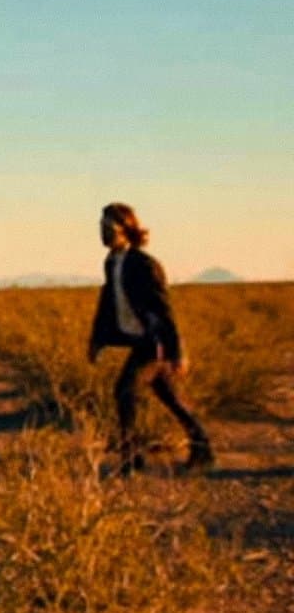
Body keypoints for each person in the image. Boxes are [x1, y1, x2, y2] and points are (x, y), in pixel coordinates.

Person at [87, 202, 213, 475]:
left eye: (108, 227)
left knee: (124, 390)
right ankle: (202, 447)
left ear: (125, 229)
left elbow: (164, 309)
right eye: (101, 227)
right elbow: (107, 301)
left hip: (154, 344)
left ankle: (131, 458)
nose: (103, 232)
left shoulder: (144, 264)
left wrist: (178, 352)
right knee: (169, 397)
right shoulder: (111, 262)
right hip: (139, 342)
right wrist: (97, 340)